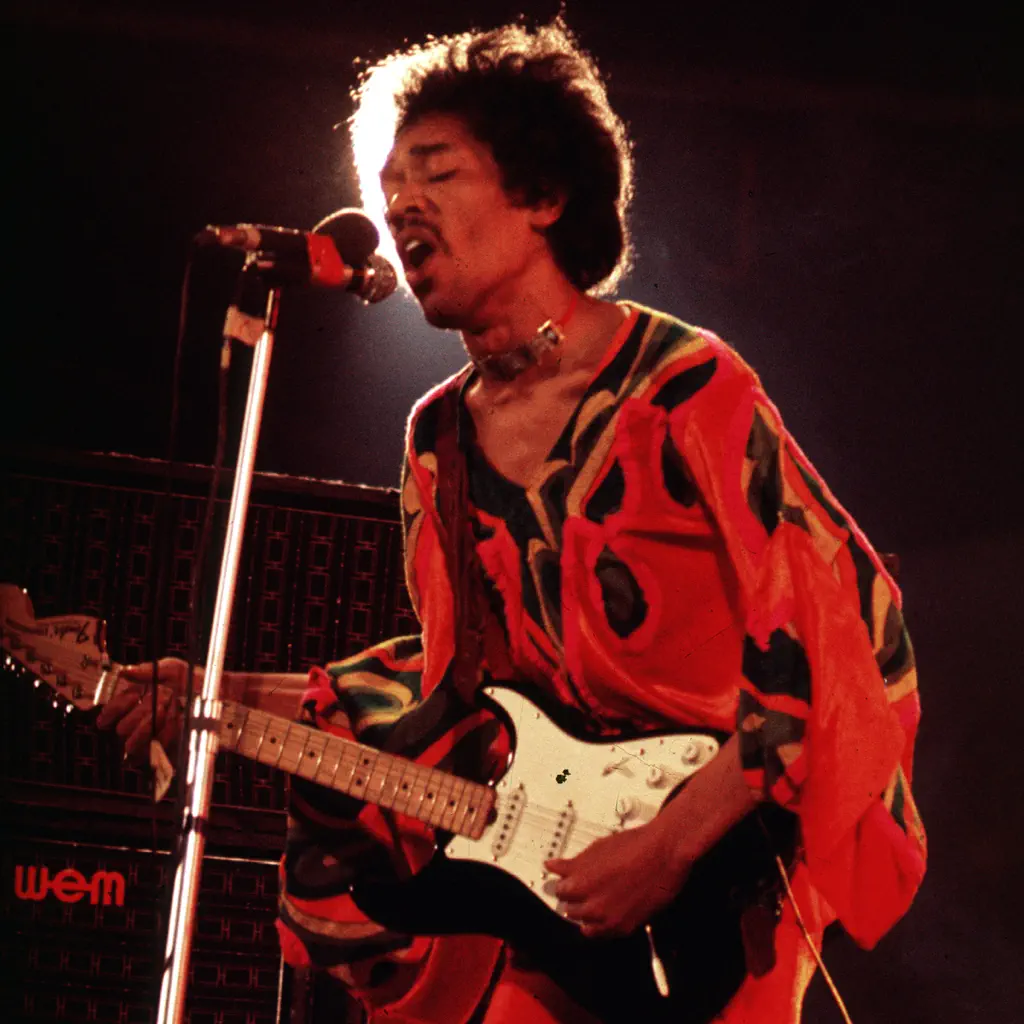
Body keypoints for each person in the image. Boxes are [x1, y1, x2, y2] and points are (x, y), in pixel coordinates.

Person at [100, 19, 926, 1024]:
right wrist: (208, 691)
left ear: (542, 196)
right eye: (390, 182)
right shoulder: (436, 438)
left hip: (720, 874)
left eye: (437, 172)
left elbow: (835, 631)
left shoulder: (683, 388)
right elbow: (454, 693)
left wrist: (666, 849)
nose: (399, 203)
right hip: (555, 887)